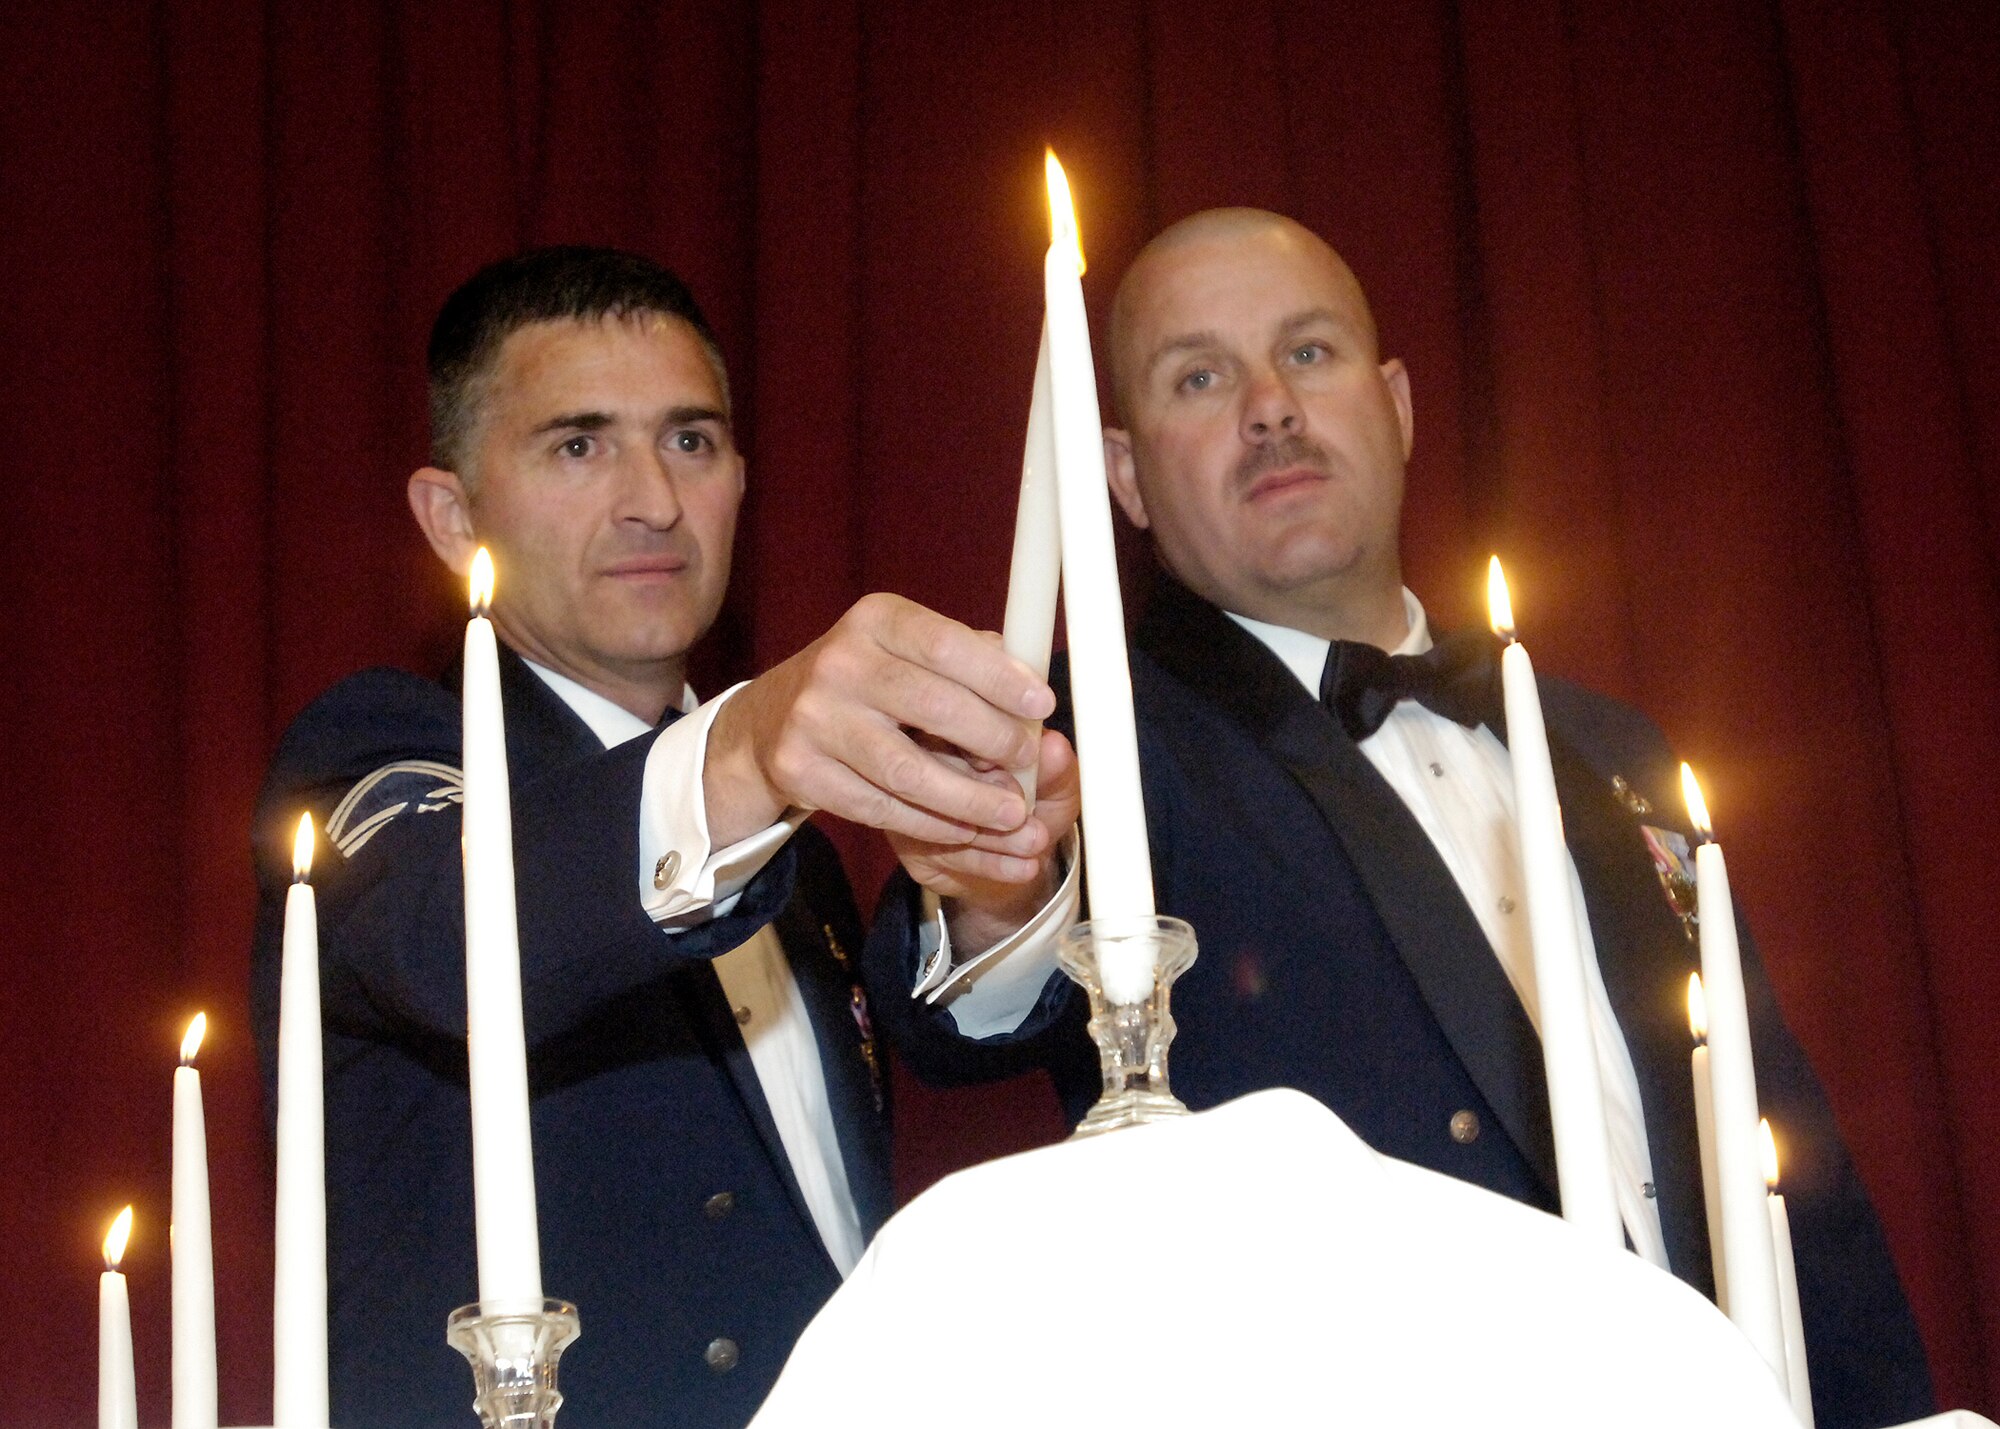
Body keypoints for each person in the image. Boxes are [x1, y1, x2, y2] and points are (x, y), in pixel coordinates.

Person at [861, 209, 1934, 1427]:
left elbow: (1779, 1150)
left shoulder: (1607, 745)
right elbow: (972, 1012)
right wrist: (995, 871)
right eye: (1199, 376)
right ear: (1122, 476)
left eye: (1306, 353)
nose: (1267, 406)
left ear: (1400, 406)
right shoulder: (1097, 753)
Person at [250, 246, 1074, 1429]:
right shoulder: (377, 752)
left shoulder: (791, 850)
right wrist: (743, 749)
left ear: (740, 475)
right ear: (451, 514)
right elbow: (448, 935)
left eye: (690, 440)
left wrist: (997, 878)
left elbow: (952, 1053)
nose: (653, 497)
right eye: (577, 445)